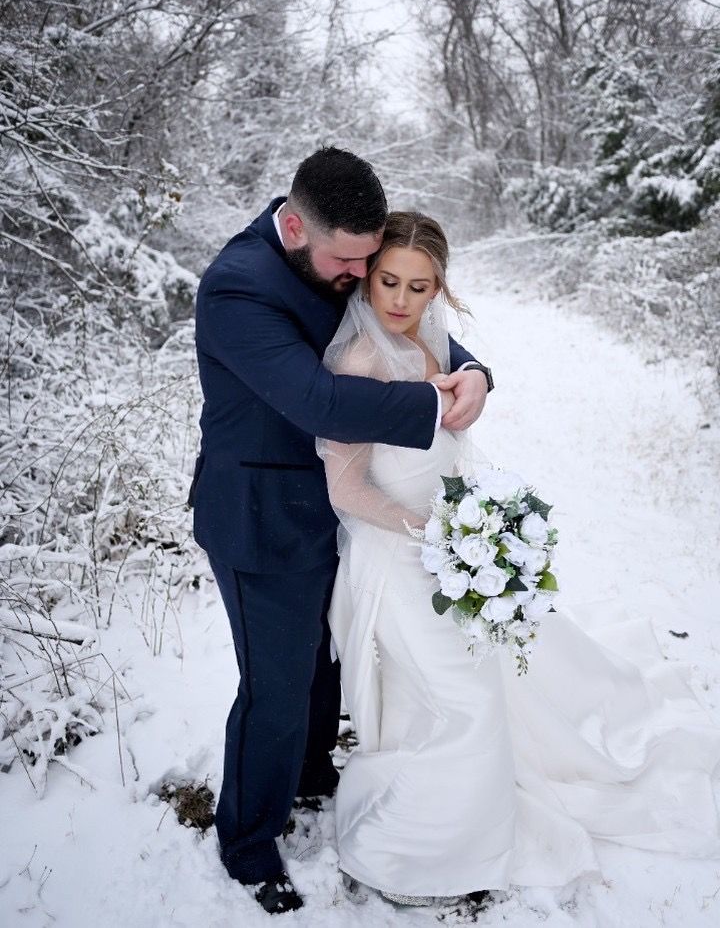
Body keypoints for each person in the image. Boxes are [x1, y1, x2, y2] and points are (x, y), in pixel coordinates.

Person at [318, 210, 720, 907]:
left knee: (479, 683)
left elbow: (447, 448)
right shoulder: (359, 360)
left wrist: (480, 530)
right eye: (388, 281)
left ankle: (452, 824)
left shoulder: (438, 349)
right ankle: (410, 850)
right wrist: (429, 531)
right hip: (395, 552)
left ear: (439, 288)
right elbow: (344, 485)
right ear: (369, 273)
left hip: (446, 547)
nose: (401, 300)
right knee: (466, 698)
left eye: (420, 286)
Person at [189, 148, 494, 914]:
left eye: (370, 261)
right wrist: (435, 400)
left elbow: (403, 313)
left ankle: (312, 775)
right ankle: (248, 842)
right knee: (277, 687)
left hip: (339, 512)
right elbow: (323, 400)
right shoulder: (238, 289)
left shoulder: (332, 259)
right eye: (350, 261)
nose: (361, 278)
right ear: (294, 226)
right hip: (262, 519)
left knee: (323, 668)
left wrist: (478, 372)